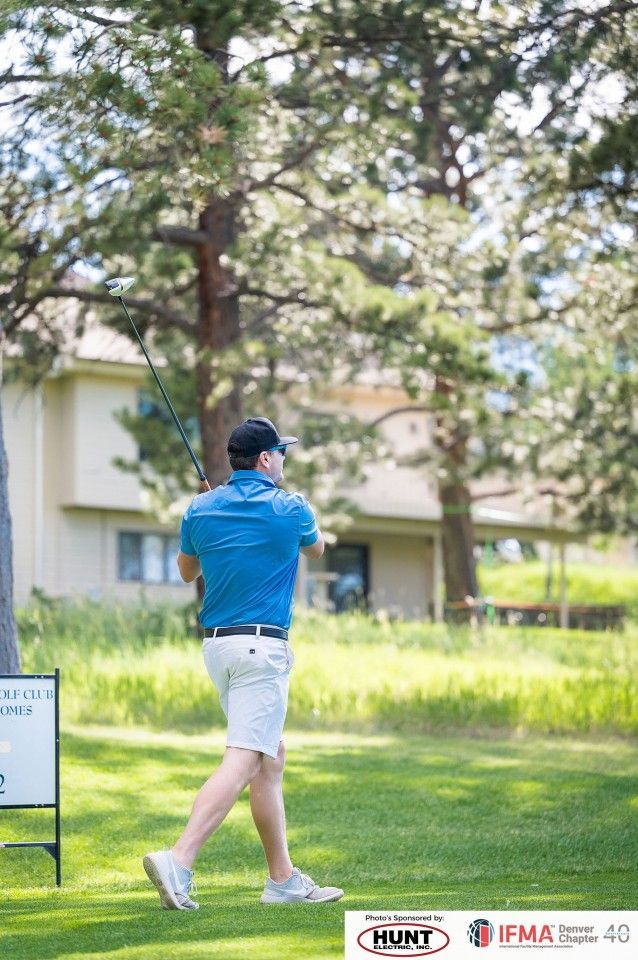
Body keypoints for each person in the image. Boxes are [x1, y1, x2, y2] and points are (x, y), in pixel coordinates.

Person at [143, 417, 344, 909]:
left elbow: (188, 570)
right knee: (246, 757)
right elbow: (315, 549)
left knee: (268, 757)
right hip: (261, 649)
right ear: (265, 460)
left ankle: (282, 880)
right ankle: (180, 860)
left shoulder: (201, 508)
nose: (283, 462)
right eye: (281, 454)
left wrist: (212, 515)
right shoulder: (291, 507)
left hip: (218, 649)